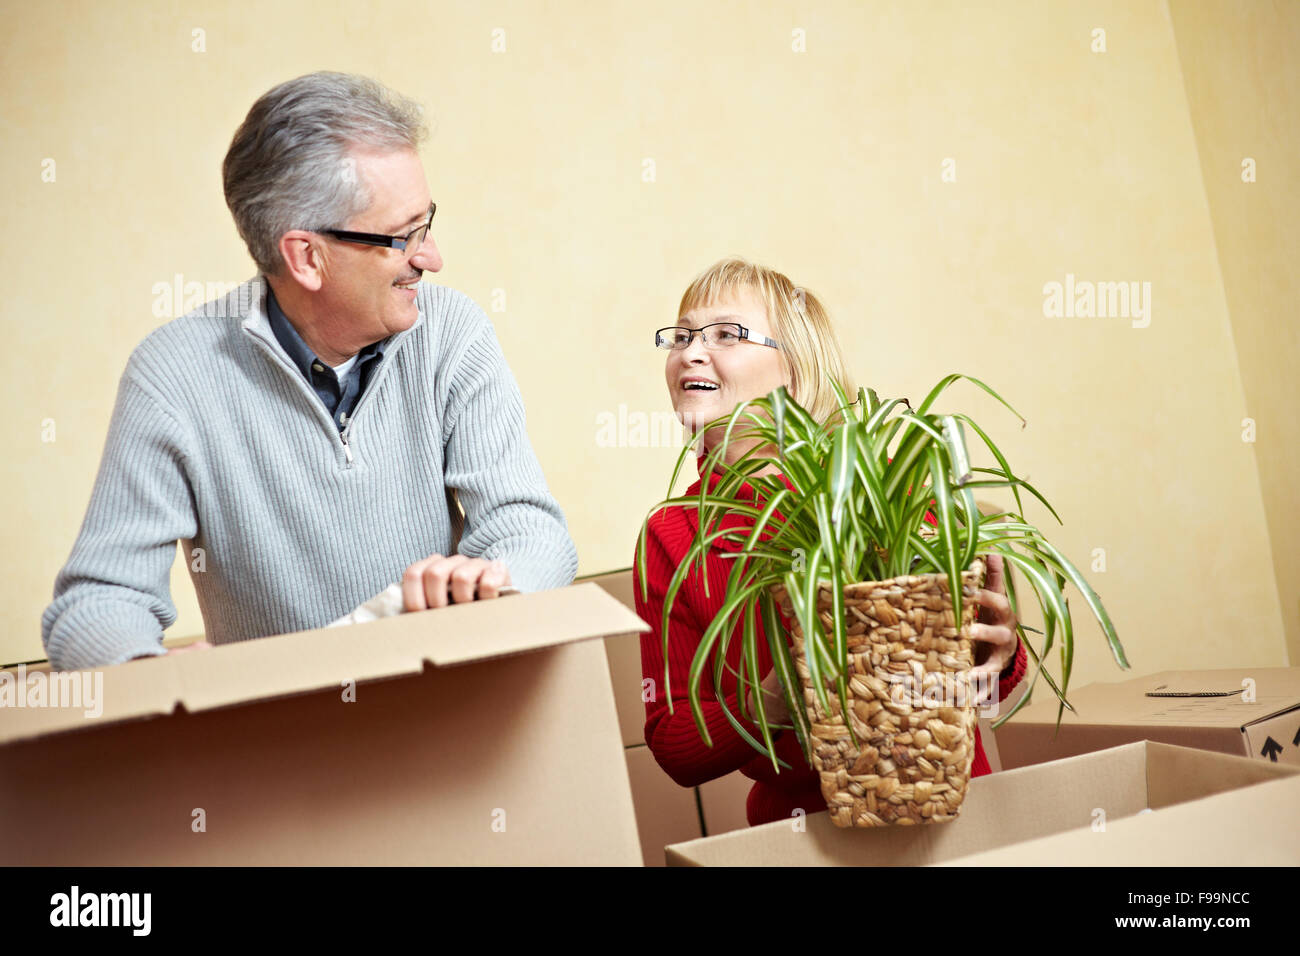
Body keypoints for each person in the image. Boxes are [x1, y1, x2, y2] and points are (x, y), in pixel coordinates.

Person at [41, 72, 577, 671]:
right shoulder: (173, 376)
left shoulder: (451, 331)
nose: (431, 257)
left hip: (450, 712)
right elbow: (96, 602)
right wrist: (143, 671)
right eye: (404, 236)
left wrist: (490, 585)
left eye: (427, 223)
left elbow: (530, 528)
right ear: (306, 257)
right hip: (285, 748)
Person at [634, 257, 1027, 827]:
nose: (692, 351)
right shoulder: (670, 534)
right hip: (797, 834)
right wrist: (781, 690)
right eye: (683, 336)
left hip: (950, 813)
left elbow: (985, 692)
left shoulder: (894, 489)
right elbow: (674, 746)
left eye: (725, 334)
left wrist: (1001, 655)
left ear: (795, 368)